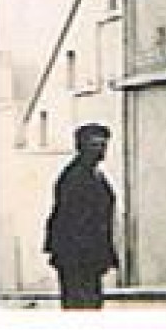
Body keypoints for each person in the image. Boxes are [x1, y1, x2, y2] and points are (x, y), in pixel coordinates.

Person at [43, 123, 118, 310]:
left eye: (103, 145)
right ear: (81, 147)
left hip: (89, 257)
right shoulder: (74, 177)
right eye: (94, 145)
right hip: (77, 258)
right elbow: (71, 222)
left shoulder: (95, 175)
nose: (101, 150)